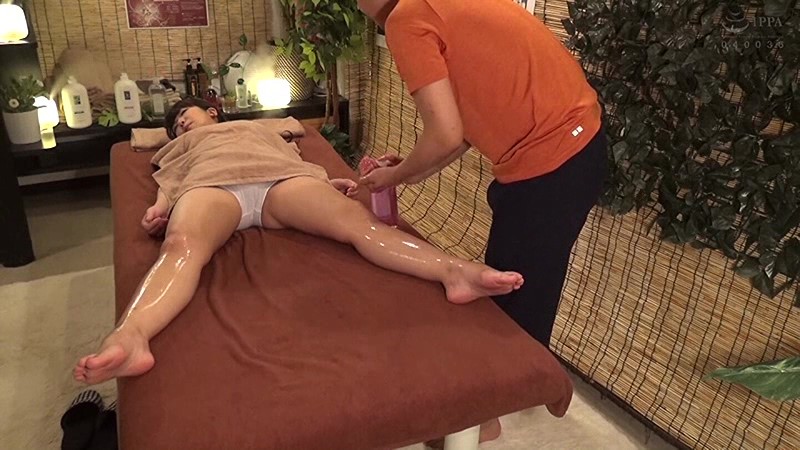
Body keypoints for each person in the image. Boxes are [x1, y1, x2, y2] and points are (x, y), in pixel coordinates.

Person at [73, 98, 524, 385]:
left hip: (282, 182)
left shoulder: (261, 128)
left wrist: (326, 180)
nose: (181, 126)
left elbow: (294, 151)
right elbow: (171, 180)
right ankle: (132, 335)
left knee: (361, 225)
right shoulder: (177, 147)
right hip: (212, 188)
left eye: (185, 117)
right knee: (181, 247)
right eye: (175, 126)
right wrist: (160, 207)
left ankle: (454, 271)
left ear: (212, 111)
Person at [356, 0, 608, 442]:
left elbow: (446, 134)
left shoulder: (407, 18)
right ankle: (501, 400)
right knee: (520, 285)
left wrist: (394, 177)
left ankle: (486, 419)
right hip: (578, 147)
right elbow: (463, 128)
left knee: (512, 294)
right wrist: (408, 170)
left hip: (553, 160)